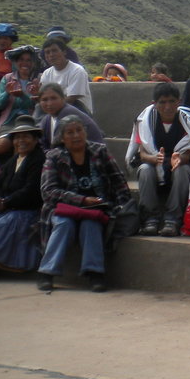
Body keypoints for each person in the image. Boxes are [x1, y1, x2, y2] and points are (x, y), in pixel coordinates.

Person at [37, 115, 131, 293]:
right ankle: (46, 272)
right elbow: (48, 191)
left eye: (79, 130)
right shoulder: (54, 157)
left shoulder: (100, 151)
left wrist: (119, 205)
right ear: (62, 138)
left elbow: (119, 181)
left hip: (96, 208)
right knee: (64, 224)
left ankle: (95, 273)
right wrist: (81, 200)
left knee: (91, 223)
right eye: (70, 132)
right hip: (64, 208)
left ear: (85, 132)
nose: (75, 136)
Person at [126, 82, 190, 237]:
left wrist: (177, 159)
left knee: (182, 170)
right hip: (154, 165)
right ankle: (150, 218)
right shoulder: (145, 122)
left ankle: (173, 219)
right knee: (144, 170)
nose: (167, 107)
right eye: (162, 102)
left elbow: (188, 154)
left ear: (179, 102)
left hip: (177, 165)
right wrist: (155, 158)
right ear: (154, 104)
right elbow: (142, 154)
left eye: (171, 102)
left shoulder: (187, 122)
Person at [0, 115, 45, 272]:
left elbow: (31, 190)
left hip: (27, 211)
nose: (20, 141)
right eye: (17, 137)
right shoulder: (14, 160)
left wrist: (6, 202)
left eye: (25, 136)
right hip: (7, 207)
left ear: (35, 139)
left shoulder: (39, 159)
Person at [0, 45, 41, 154]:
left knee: (23, 145)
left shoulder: (39, 79)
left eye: (28, 60)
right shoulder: (7, 78)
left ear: (34, 63)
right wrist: (7, 93)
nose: (25, 63)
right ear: (15, 62)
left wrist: (23, 96)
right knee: (2, 145)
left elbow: (39, 105)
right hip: (9, 122)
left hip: (31, 122)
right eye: (21, 60)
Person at [36, 83, 103, 150]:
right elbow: (41, 144)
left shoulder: (67, 114)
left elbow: (58, 147)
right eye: (44, 100)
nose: (49, 103)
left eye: (54, 98)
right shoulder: (47, 119)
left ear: (63, 99)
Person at [39, 37, 93, 115]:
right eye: (47, 52)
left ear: (64, 52)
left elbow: (71, 99)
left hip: (78, 112)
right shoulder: (46, 73)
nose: (51, 55)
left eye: (54, 51)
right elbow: (44, 96)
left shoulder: (77, 71)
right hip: (55, 110)